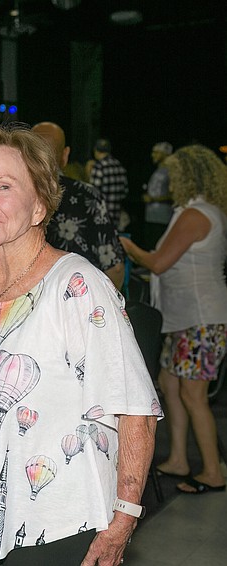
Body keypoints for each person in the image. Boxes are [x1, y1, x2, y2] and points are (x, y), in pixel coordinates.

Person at [0, 125, 160, 566]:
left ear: (39, 206)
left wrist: (124, 518)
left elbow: (136, 408)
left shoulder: (77, 284)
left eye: (4, 186)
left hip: (62, 523)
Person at [120, 144, 227, 495]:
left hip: (200, 319)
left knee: (194, 395)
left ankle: (213, 471)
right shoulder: (199, 211)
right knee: (169, 385)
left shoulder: (196, 214)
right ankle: (179, 458)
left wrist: (126, 244)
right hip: (187, 319)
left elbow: (159, 262)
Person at [31, 121, 125, 288]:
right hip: (79, 303)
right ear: (65, 155)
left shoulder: (9, 195)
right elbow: (114, 267)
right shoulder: (86, 195)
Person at [141, 142, 174, 250]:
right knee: (150, 247)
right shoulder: (158, 170)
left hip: (162, 218)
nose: (153, 155)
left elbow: (174, 195)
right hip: (151, 217)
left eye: (156, 152)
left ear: (165, 154)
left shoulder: (171, 171)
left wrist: (154, 199)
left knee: (159, 248)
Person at [89, 138, 128, 229]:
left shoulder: (99, 166)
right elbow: (125, 192)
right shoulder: (119, 165)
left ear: (96, 151)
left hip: (101, 217)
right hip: (116, 216)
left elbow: (93, 194)